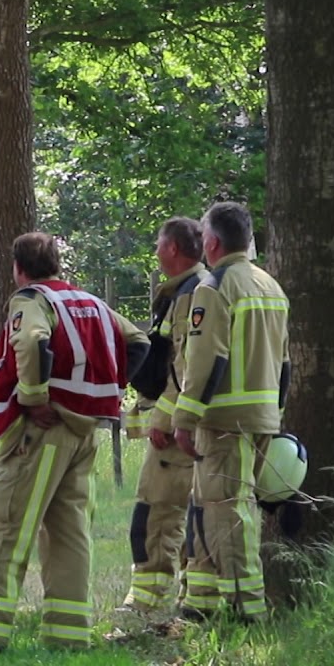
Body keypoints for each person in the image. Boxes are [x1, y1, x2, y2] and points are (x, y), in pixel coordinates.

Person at [0, 232, 149, 662]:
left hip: (39, 434)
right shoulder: (91, 302)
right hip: (84, 436)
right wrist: (115, 387)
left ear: (18, 268)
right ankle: (68, 637)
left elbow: (31, 341)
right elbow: (138, 341)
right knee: (69, 533)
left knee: (2, 528)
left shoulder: (30, 300)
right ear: (56, 263)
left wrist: (34, 396)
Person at [173, 201, 290, 623]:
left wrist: (184, 418)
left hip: (223, 421)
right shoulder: (270, 286)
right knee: (208, 505)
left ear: (212, 242)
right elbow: (286, 363)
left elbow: (207, 359)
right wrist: (275, 413)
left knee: (228, 510)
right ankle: (199, 604)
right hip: (261, 417)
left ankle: (249, 610)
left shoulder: (216, 287)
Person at [119, 217, 211, 613]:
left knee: (156, 513)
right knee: (174, 513)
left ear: (172, 248)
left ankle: (149, 604)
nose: (155, 248)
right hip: (183, 424)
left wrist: (167, 417)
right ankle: (179, 599)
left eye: (159, 242)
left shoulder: (193, 293)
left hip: (177, 430)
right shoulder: (181, 291)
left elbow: (186, 364)